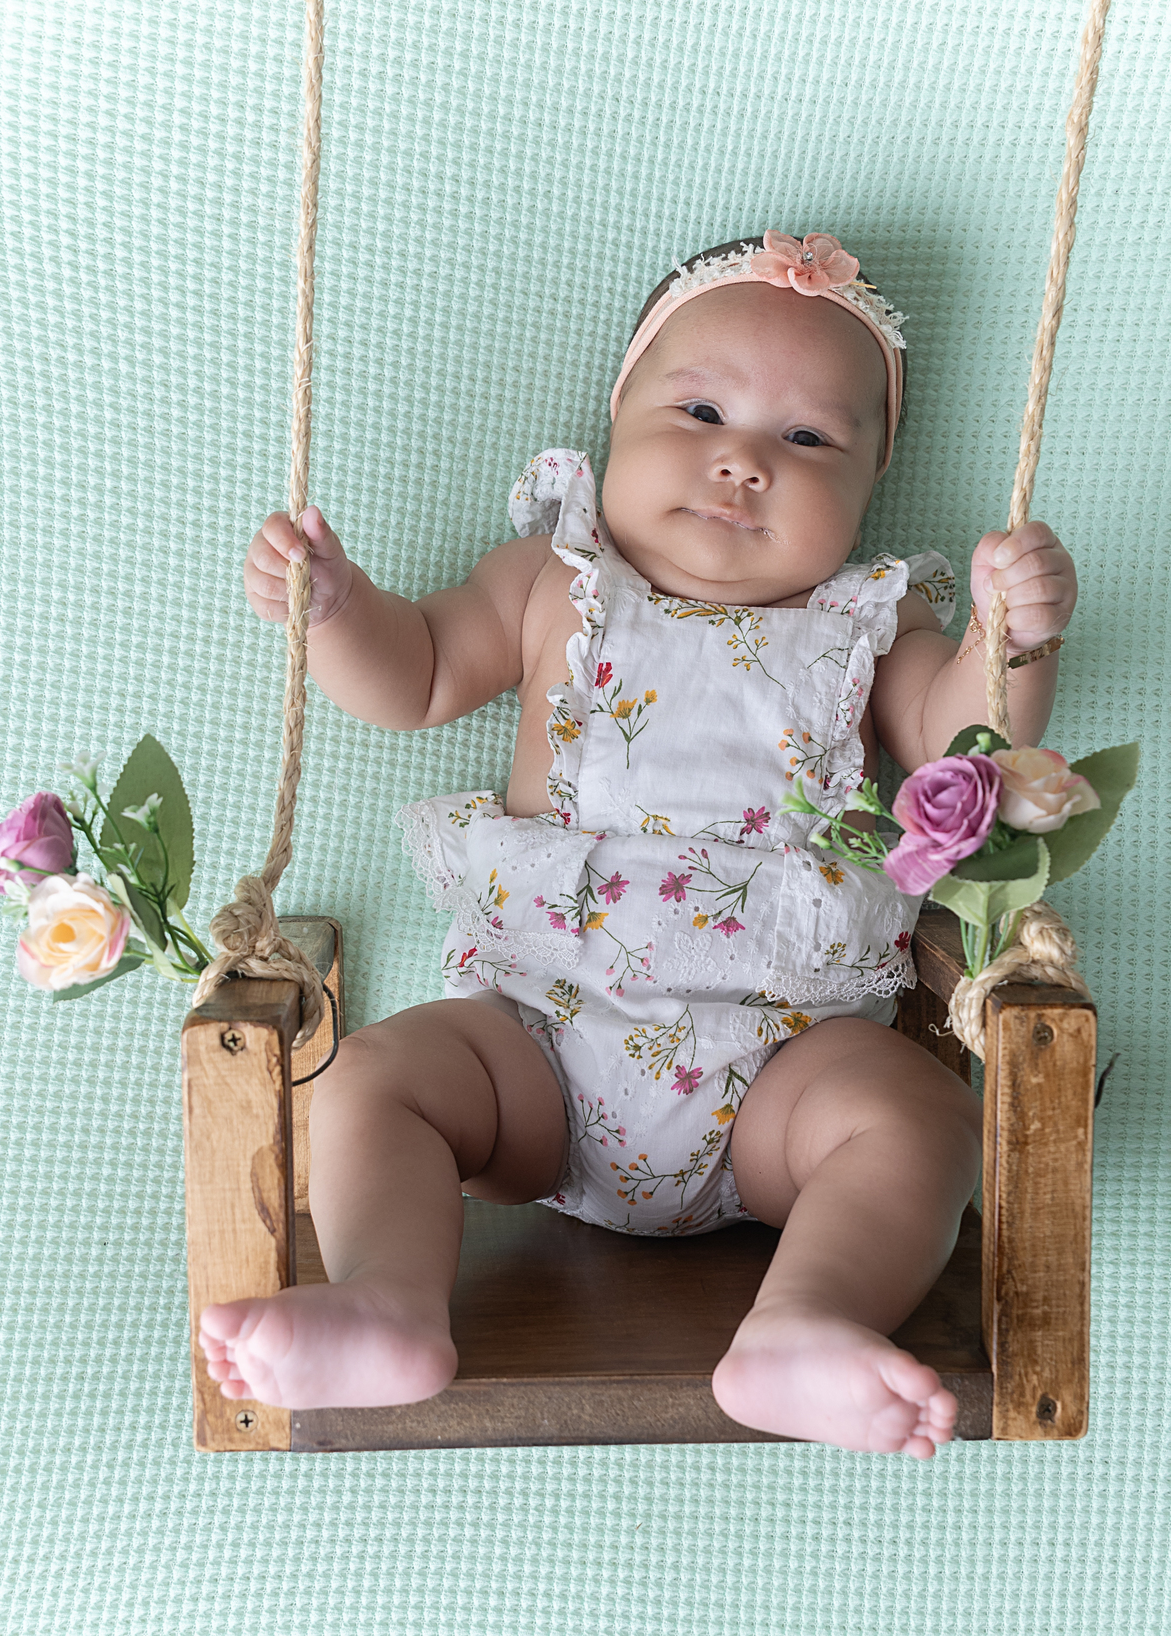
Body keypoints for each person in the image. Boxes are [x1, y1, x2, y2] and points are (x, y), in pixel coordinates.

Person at [199, 230, 1077, 1457]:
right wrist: (341, 612)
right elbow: (420, 675)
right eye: (702, 409)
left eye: (809, 439)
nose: (743, 461)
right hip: (538, 1052)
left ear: (872, 483)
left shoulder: (868, 627)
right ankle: (388, 1302)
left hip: (782, 1074)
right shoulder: (553, 583)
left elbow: (959, 745)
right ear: (616, 423)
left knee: (922, 1117)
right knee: (377, 1079)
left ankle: (804, 1322)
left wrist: (1013, 640)